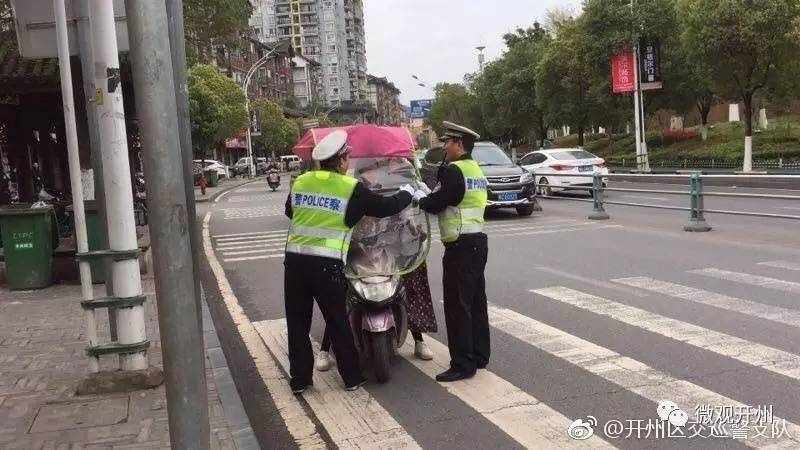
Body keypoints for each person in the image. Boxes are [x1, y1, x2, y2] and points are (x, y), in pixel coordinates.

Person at [283, 130, 422, 394]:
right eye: (347, 157)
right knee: (337, 320)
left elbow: (290, 211)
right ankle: (351, 378)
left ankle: (300, 379)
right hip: (326, 265)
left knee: (297, 323)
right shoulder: (349, 188)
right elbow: (384, 208)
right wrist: (406, 192)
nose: (349, 162)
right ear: (341, 161)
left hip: (295, 263)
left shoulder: (301, 181)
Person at [417, 121, 489, 382]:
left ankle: (462, 364)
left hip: (460, 246)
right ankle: (479, 355)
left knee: (458, 306)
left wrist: (419, 198)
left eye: (447, 142)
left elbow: (437, 203)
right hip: (478, 241)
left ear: (460, 144)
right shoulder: (475, 170)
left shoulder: (454, 171)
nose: (444, 147)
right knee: (476, 302)